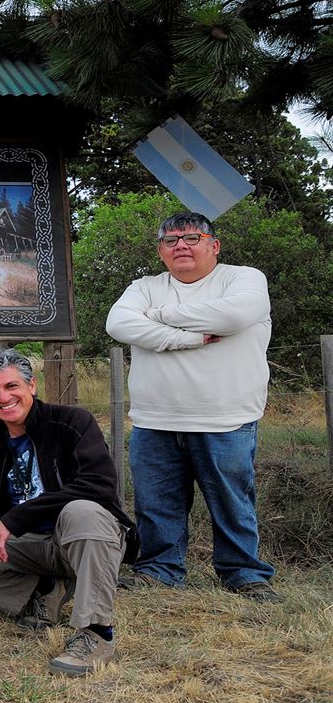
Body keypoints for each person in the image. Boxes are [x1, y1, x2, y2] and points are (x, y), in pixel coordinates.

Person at [0, 350, 136, 677]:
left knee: (82, 511)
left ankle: (97, 633)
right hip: (31, 546)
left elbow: (99, 486)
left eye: (11, 386)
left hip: (83, 538)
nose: (3, 397)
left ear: (31, 385)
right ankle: (43, 590)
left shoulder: (72, 422)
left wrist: (16, 518)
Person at [105, 212, 280, 601]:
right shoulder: (144, 286)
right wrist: (192, 338)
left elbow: (234, 315)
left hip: (226, 418)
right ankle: (159, 570)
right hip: (155, 419)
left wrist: (158, 317)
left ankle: (243, 573)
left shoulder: (244, 279)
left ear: (214, 246)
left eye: (192, 238)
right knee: (156, 503)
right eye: (170, 240)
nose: (180, 245)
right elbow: (118, 325)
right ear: (161, 251)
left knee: (232, 502)